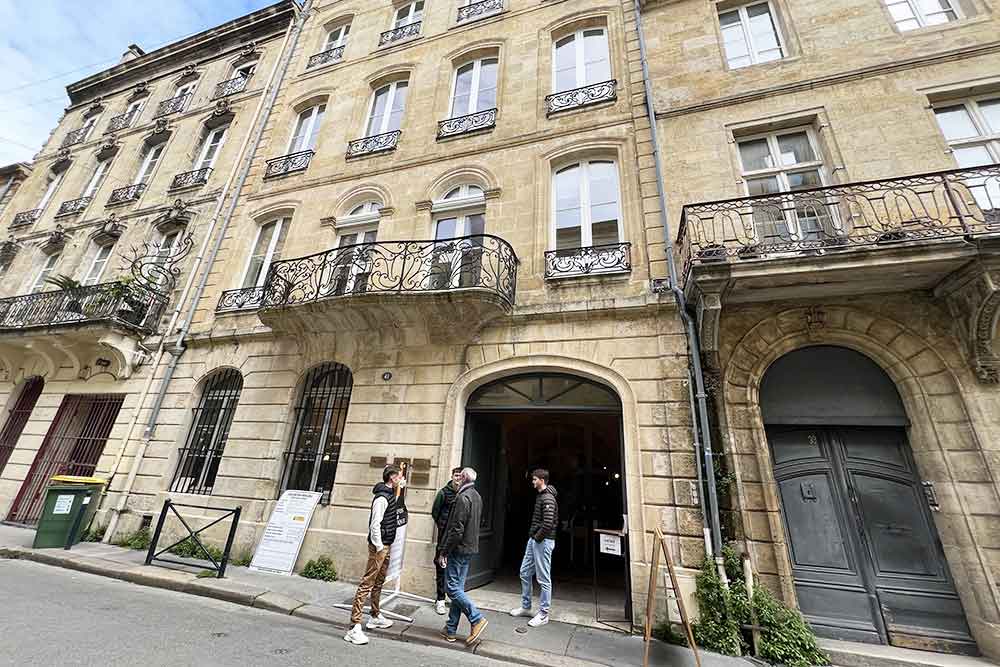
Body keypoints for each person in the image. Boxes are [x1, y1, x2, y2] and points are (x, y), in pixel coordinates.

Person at [344, 465, 404, 646]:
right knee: (367, 583)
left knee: (379, 581)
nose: (400, 479)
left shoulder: (389, 494)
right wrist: (378, 546)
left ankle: (375, 616)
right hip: (380, 546)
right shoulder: (381, 498)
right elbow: (375, 524)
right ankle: (354, 627)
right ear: (392, 477)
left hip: (386, 544)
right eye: (398, 477)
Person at [437, 467, 489, 645]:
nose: (457, 479)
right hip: (469, 548)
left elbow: (456, 529)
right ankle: (450, 629)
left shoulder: (462, 497)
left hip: (458, 549)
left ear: (465, 478)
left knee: (451, 588)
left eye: (460, 476)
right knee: (457, 588)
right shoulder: (477, 496)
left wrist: (444, 550)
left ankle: (476, 618)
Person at [510, 468, 558, 627]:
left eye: (534, 479)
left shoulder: (548, 498)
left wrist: (537, 538)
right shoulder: (541, 496)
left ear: (542, 480)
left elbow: (548, 523)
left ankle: (544, 614)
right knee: (524, 572)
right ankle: (526, 607)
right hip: (534, 540)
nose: (532, 482)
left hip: (542, 541)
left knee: (543, 578)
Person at [430, 467, 463, 615]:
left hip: (458, 537)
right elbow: (435, 512)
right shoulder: (443, 493)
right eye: (456, 475)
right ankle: (440, 599)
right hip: (444, 536)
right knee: (441, 565)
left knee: (454, 567)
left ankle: (453, 597)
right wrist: (443, 526)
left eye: (461, 476)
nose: (458, 479)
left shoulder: (464, 493)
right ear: (452, 476)